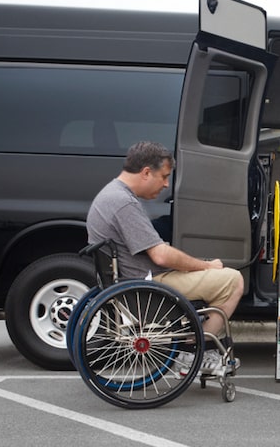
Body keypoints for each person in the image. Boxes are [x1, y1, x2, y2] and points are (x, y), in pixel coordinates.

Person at [86, 141, 244, 375]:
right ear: (146, 172)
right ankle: (195, 353)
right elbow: (160, 255)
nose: (166, 184)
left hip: (130, 282)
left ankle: (197, 344)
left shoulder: (109, 195)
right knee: (233, 280)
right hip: (146, 287)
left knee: (207, 272)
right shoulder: (123, 203)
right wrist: (206, 265)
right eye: (164, 176)